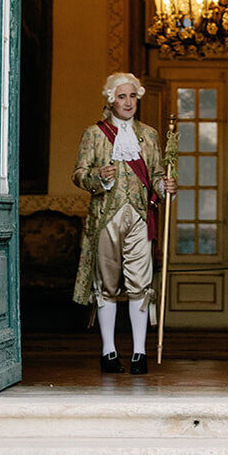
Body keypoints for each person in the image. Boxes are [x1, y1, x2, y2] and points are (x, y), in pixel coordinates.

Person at [72, 73, 177, 373]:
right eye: (121, 97)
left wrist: (164, 186)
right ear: (111, 100)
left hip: (141, 218)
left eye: (132, 96)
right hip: (107, 217)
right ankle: (108, 351)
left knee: (140, 285)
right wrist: (97, 177)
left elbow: (156, 174)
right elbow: (79, 173)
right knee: (106, 285)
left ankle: (140, 353)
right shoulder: (94, 134)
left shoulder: (150, 135)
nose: (128, 102)